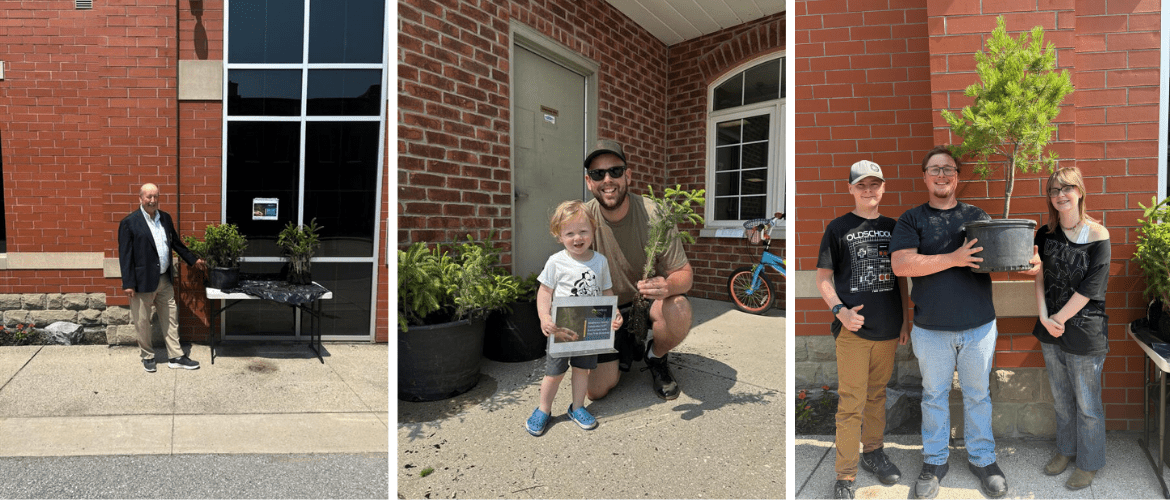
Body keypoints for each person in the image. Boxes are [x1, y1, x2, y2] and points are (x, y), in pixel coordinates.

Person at [889, 146, 1007, 499]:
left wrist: (1024, 259)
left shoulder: (976, 215)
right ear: (924, 176)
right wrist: (954, 258)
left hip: (979, 327)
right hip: (931, 330)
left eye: (949, 169)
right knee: (934, 396)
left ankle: (983, 460)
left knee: (978, 396)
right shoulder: (912, 219)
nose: (942, 175)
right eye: (935, 169)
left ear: (957, 176)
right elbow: (902, 265)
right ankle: (935, 460)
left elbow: (995, 258)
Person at [816, 160, 910, 499]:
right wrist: (840, 312)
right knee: (851, 403)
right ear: (851, 189)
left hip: (887, 331)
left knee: (877, 397)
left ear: (883, 188)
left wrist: (905, 321)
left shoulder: (896, 227)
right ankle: (845, 476)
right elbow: (823, 279)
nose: (868, 191)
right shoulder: (838, 228)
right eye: (862, 185)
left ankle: (873, 452)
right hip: (853, 333)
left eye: (875, 184)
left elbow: (901, 277)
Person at [581, 139, 693, 401]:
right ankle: (623, 350)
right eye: (598, 174)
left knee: (678, 307)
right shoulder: (582, 219)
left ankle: (656, 356)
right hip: (602, 310)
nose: (608, 180)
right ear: (589, 182)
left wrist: (667, 286)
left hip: (643, 303)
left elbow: (684, 274)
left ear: (627, 175)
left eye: (615, 171)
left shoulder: (654, 215)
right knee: (596, 391)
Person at [1020, 167, 1110, 490]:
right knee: (1061, 398)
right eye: (1054, 190)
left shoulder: (1099, 236)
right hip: (1049, 328)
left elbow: (1090, 289)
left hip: (1085, 331)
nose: (1061, 194)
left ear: (1080, 191)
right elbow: (1039, 276)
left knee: (1087, 404)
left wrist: (1059, 319)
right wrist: (1044, 316)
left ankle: (1089, 463)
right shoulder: (1044, 235)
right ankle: (1065, 450)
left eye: (1067, 188)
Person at [526, 200, 623, 436]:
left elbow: (606, 292)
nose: (577, 238)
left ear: (593, 231)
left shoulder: (600, 261)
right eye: (569, 233)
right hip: (561, 329)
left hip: (589, 330)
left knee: (582, 371)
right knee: (554, 373)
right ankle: (543, 409)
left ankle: (577, 407)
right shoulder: (556, 262)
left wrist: (615, 312)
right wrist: (544, 317)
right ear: (559, 235)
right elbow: (545, 292)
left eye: (583, 231)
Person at [118, 183, 206, 372]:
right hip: (141, 281)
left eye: (155, 196)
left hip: (164, 279)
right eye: (148, 197)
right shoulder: (129, 222)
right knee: (142, 321)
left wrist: (193, 260)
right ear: (140, 198)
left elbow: (176, 243)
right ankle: (147, 356)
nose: (152, 200)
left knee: (171, 318)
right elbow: (125, 256)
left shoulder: (165, 218)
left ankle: (175, 356)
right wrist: (128, 283)